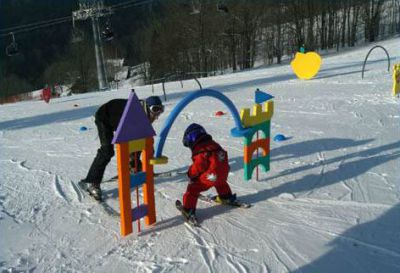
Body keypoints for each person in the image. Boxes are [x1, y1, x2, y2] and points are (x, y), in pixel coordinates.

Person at [82, 95, 164, 200]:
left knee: (138, 139)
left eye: (160, 111)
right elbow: (129, 138)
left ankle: (134, 167)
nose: (157, 115)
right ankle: (92, 181)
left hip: (118, 118)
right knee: (107, 150)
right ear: (148, 107)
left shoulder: (143, 113)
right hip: (104, 117)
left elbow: (146, 137)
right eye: (155, 110)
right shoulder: (134, 114)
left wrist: (150, 155)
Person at [180, 123, 236, 219]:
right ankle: (226, 197)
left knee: (193, 189)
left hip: (210, 177)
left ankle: (188, 209)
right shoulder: (215, 144)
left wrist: (191, 173)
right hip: (223, 174)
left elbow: (199, 166)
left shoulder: (201, 150)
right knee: (221, 183)